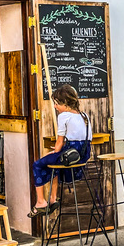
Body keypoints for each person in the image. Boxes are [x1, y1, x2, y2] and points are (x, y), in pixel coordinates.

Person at [30, 84, 93, 217]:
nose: (55, 106)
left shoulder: (64, 116)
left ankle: (41, 201)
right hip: (82, 155)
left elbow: (59, 142)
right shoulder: (84, 116)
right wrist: (59, 150)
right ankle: (53, 198)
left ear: (65, 104)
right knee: (54, 165)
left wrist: (55, 151)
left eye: (56, 103)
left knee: (37, 164)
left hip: (69, 156)